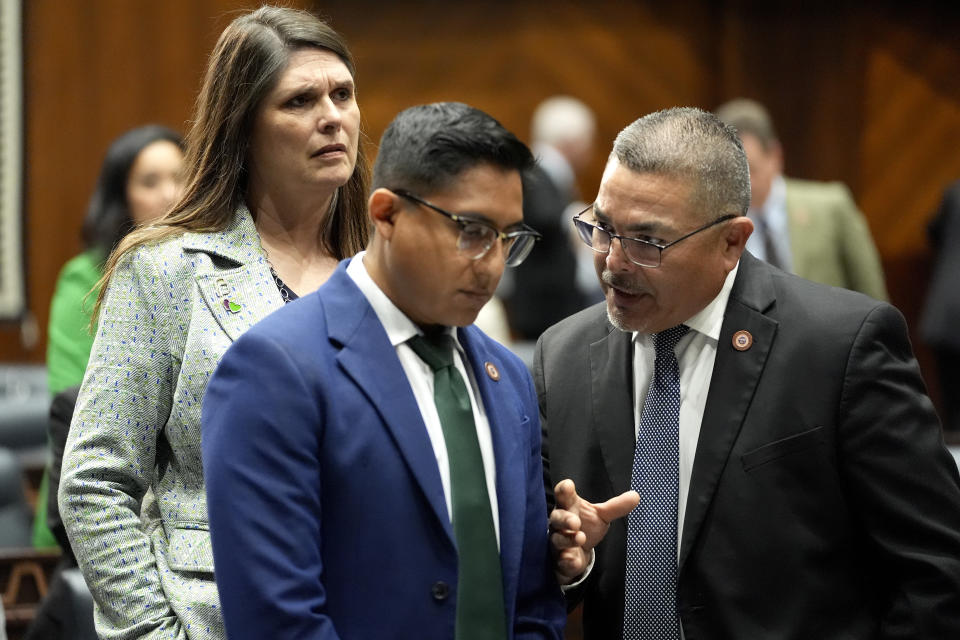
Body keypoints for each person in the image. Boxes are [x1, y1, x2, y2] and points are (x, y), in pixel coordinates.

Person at [538, 107, 960, 638]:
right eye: (602, 227)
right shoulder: (564, 355)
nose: (611, 262)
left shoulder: (839, 347)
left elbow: (936, 571)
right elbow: (554, 565)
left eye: (648, 241)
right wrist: (571, 562)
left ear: (732, 242)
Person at [57, 7, 370, 640]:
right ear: (243, 127)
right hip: (216, 617)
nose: (332, 115)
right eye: (300, 100)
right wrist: (152, 632)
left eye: (343, 94)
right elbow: (95, 483)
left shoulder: (380, 278)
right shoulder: (164, 269)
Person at [202, 102, 565, 639]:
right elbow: (278, 619)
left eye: (508, 238)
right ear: (387, 214)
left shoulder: (507, 377)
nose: (491, 264)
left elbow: (531, 602)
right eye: (471, 231)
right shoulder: (276, 368)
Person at [36, 125, 184, 550]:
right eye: (150, 182)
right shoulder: (84, 279)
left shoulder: (214, 270)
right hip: (97, 508)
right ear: (121, 197)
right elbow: (74, 399)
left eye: (181, 177)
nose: (170, 195)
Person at [715, 97, 888, 300]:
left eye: (749, 170)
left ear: (775, 157)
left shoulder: (831, 207)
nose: (740, 184)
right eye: (728, 174)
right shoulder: (719, 226)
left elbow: (873, 296)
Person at [504, 96, 596, 341]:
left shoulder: (545, 170)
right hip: (542, 308)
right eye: (588, 140)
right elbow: (542, 217)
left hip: (552, 307)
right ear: (572, 141)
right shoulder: (535, 170)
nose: (590, 150)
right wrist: (576, 217)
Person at [921, 180, 960, 432]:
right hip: (948, 314)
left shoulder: (954, 192)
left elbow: (934, 231)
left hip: (947, 310)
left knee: (952, 406)